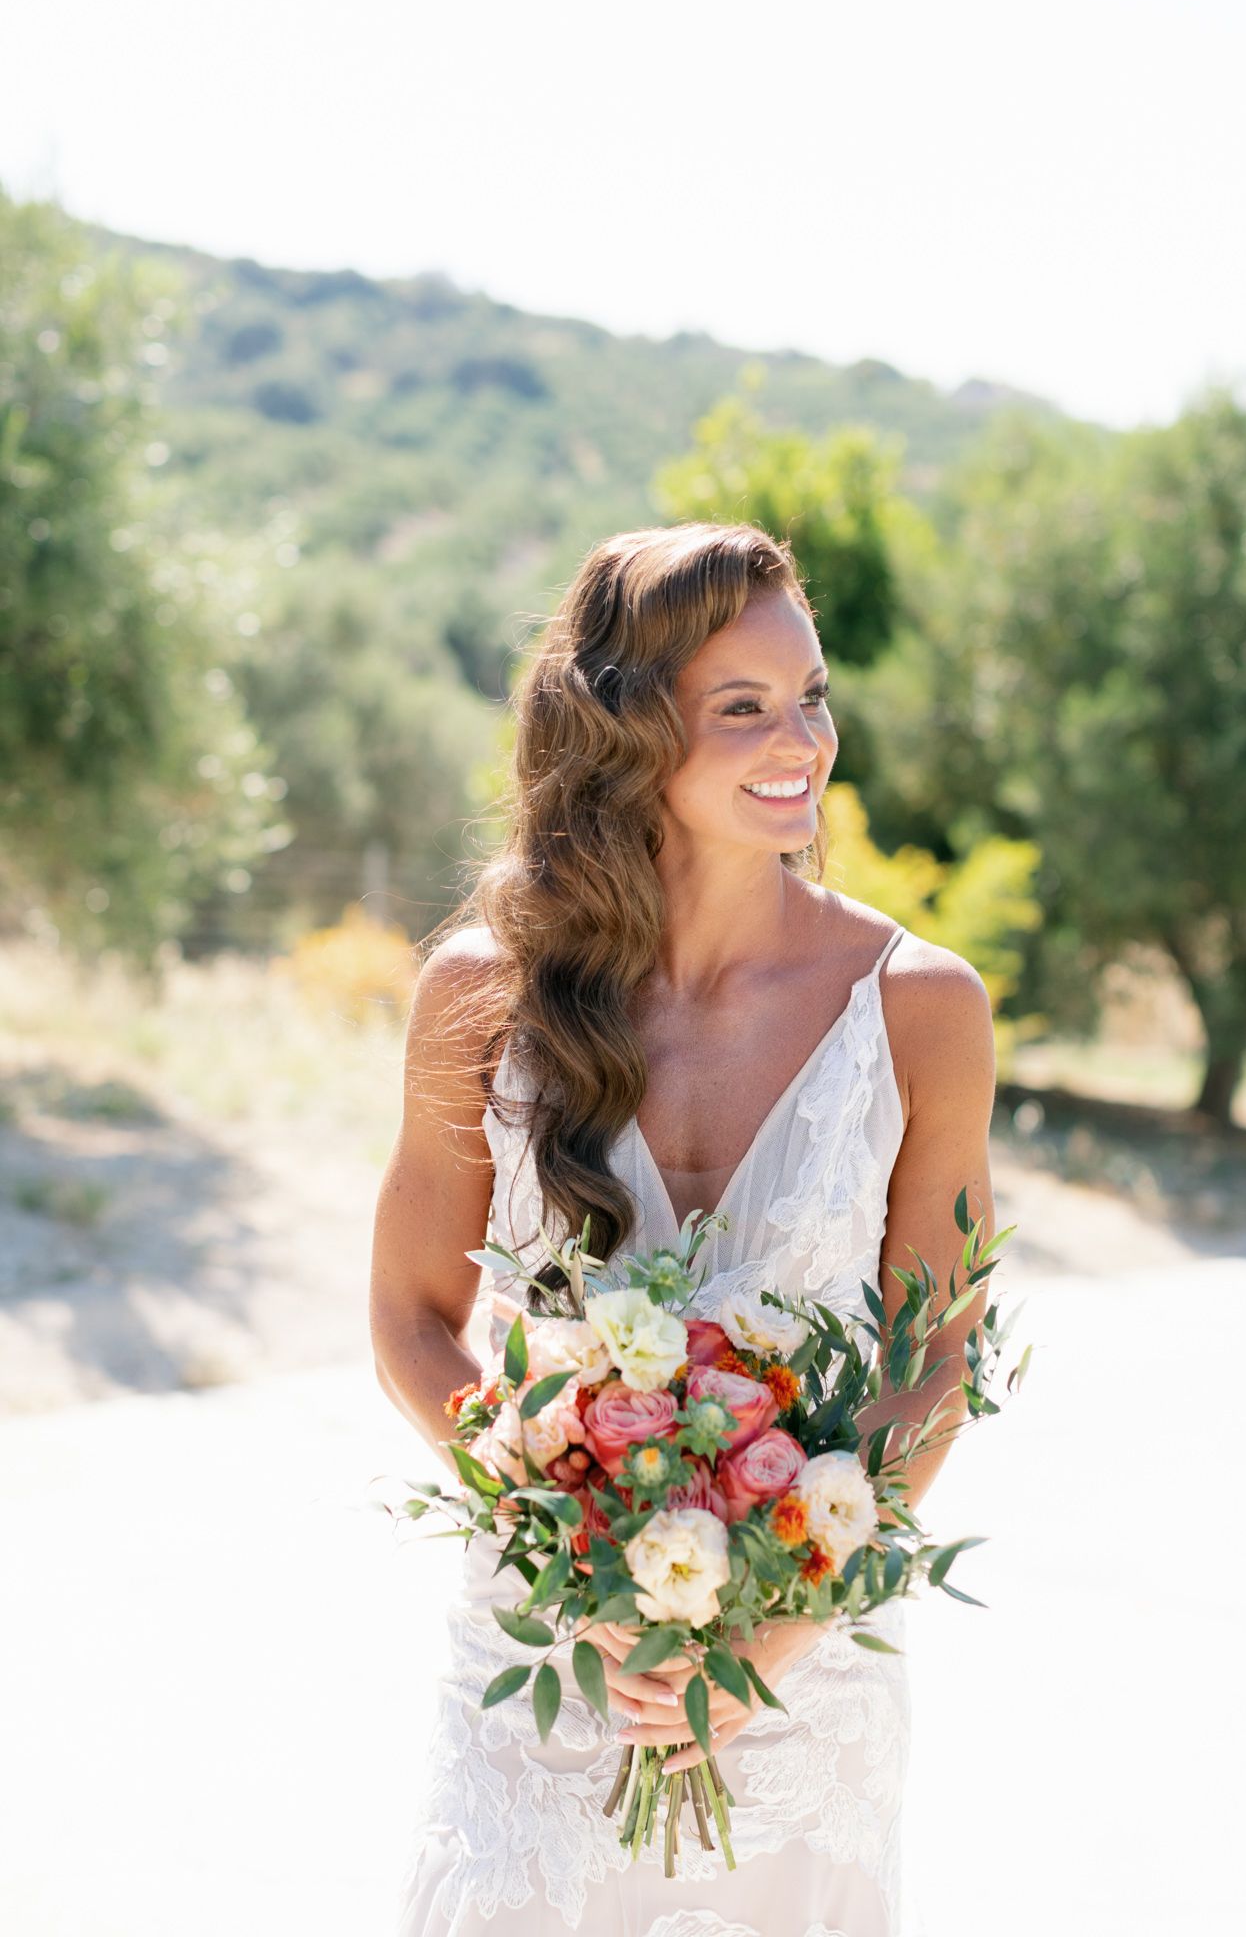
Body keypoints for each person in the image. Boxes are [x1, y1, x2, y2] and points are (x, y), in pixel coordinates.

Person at [371, 520, 997, 1935]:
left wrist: (783, 1625)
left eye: (811, 697)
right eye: (743, 707)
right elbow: (412, 1315)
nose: (801, 742)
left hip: (805, 1668)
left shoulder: (922, 1007)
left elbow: (932, 1350)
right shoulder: (482, 992)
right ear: (625, 728)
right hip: (545, 1650)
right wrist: (560, 1562)